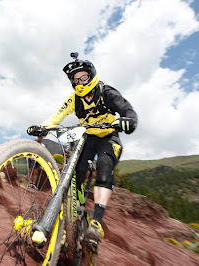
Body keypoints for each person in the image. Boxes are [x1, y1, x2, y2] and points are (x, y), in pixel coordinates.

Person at [27, 53, 138, 244]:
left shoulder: (106, 93)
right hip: (86, 138)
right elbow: (57, 116)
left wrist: (128, 121)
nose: (79, 82)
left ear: (91, 75)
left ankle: (97, 223)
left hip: (108, 137)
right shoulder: (73, 99)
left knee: (104, 164)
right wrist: (43, 127)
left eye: (83, 77)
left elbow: (128, 111)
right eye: (75, 79)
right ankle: (74, 210)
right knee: (75, 169)